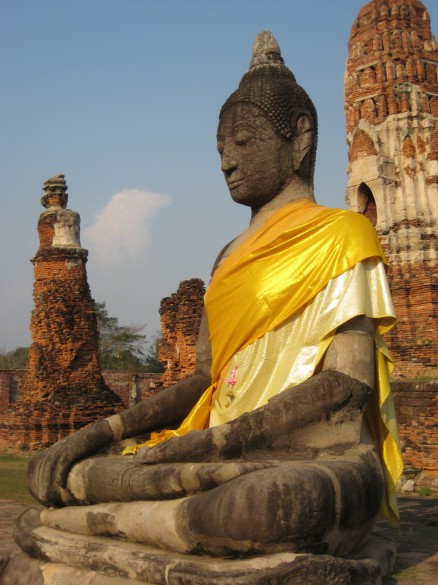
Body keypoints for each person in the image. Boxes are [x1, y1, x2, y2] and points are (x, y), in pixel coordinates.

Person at [27, 31, 403, 559]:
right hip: (214, 449)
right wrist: (94, 433)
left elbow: (346, 384)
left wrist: (216, 442)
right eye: (221, 148)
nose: (226, 161)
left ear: (299, 139)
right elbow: (205, 379)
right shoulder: (228, 257)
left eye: (244, 143)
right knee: (62, 469)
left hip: (307, 454)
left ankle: (143, 518)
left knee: (273, 502)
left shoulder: (341, 235)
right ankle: (165, 517)